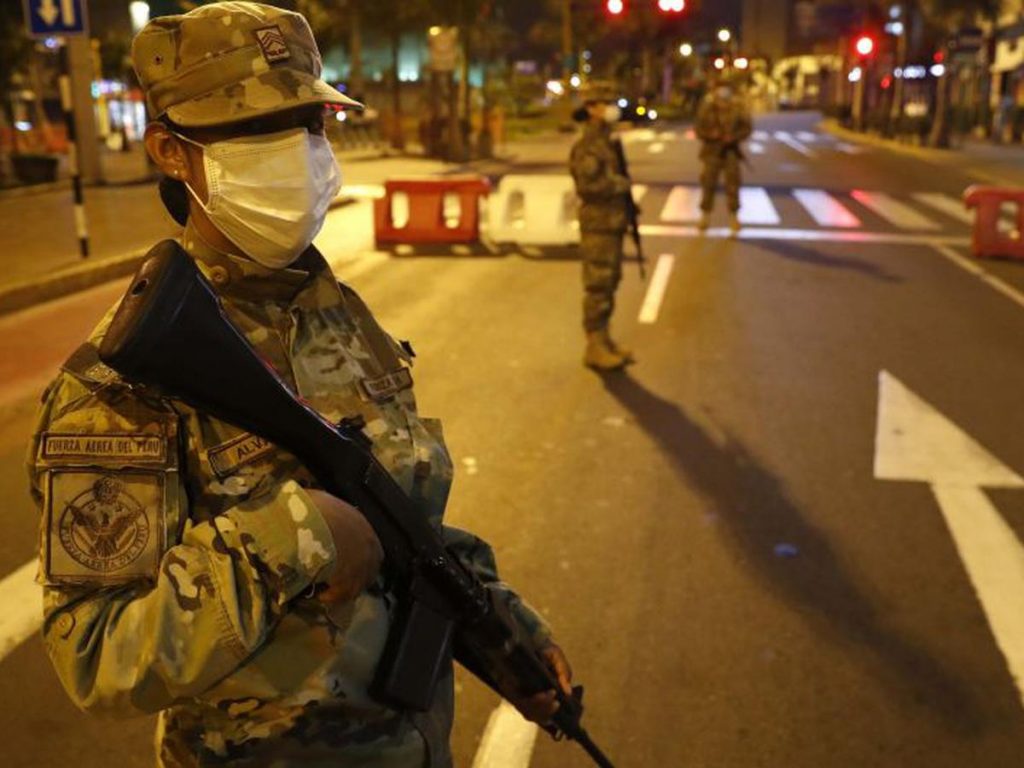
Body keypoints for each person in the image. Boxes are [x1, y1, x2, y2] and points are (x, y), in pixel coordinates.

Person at [27, 4, 572, 766]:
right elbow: (98, 652)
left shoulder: (338, 315)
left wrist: (503, 627)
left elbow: (401, 518)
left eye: (308, 123)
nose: (295, 152)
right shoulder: (124, 384)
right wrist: (292, 537)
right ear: (172, 152)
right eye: (253, 129)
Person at [569, 81, 634, 372]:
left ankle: (604, 339)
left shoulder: (607, 140)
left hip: (611, 221)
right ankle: (594, 345)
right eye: (607, 103)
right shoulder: (589, 145)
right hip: (598, 224)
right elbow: (588, 185)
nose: (613, 108)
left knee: (610, 282)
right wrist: (620, 185)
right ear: (592, 108)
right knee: (598, 284)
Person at [695, 75, 752, 234]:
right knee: (708, 183)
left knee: (733, 184)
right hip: (711, 151)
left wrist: (733, 137)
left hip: (730, 152)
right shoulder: (708, 106)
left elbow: (747, 128)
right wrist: (711, 134)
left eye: (726, 88)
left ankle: (734, 217)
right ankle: (705, 216)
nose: (723, 91)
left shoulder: (738, 107)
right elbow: (698, 128)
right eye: (720, 88)